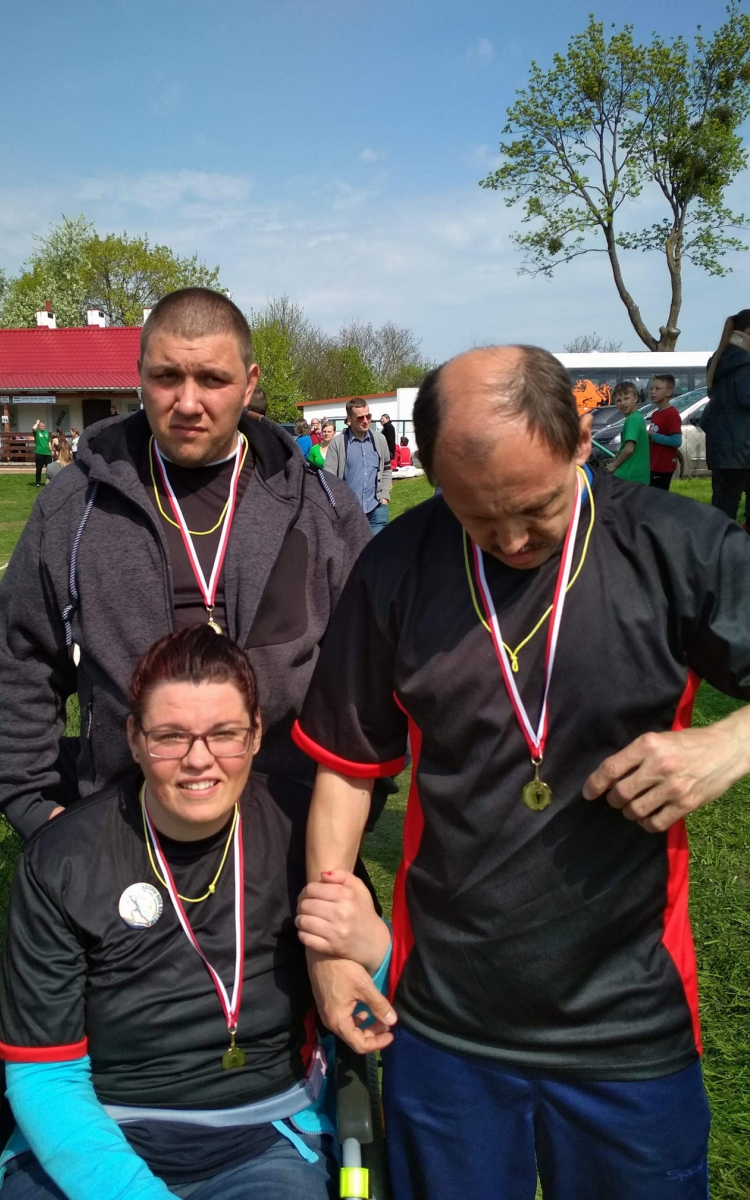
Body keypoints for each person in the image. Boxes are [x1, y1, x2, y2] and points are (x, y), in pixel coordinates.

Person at [293, 344, 750, 1200]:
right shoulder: (395, 566)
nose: (508, 540)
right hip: (443, 1021)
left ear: (579, 441)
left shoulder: (676, 545)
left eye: (535, 509)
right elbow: (347, 770)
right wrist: (329, 953)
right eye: (475, 515)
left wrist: (730, 744)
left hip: (629, 1022)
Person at [0, 626, 389, 1200]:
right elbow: (45, 1074)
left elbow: (372, 1011)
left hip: (265, 1138)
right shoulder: (62, 858)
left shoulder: (307, 832)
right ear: (134, 739)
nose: (199, 760)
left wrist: (378, 952)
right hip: (96, 1131)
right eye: (171, 737)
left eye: (224, 734)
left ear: (256, 734)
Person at [0, 287, 370, 838]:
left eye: (213, 379)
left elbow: (367, 672)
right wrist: (31, 803)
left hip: (291, 831)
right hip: (124, 830)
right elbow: (22, 655)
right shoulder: (76, 505)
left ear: (250, 383)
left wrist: (350, 815)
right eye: (167, 377)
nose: (188, 403)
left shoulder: (321, 507)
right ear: (140, 375)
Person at [701, 308, 750, 522]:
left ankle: (718, 540)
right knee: (729, 503)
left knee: (723, 504)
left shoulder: (718, 359)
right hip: (742, 448)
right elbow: (746, 398)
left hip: (722, 447)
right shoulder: (745, 362)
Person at [323, 398, 392, 533]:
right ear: (349, 419)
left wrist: (384, 497)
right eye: (360, 418)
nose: (366, 421)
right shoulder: (338, 443)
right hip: (348, 512)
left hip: (376, 510)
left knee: (376, 546)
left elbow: (387, 469)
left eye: (368, 416)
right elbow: (329, 478)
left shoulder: (379, 440)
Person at [605, 380, 650, 483]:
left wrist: (614, 465)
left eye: (626, 398)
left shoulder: (632, 419)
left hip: (628, 475)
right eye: (618, 400)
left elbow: (629, 449)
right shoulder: (638, 417)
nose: (622, 403)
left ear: (635, 398)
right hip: (639, 475)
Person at [648, 374, 682, 490]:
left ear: (668, 392)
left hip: (663, 466)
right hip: (653, 464)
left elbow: (676, 441)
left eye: (657, 389)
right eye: (652, 388)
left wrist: (653, 436)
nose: (653, 391)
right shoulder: (655, 414)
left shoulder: (672, 414)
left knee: (658, 496)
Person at [32, 420, 52, 487]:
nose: (43, 427)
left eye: (44, 426)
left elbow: (48, 442)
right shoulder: (37, 432)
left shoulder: (46, 432)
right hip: (39, 453)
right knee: (39, 468)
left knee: (49, 469)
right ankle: (38, 482)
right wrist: (37, 422)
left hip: (47, 453)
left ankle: (50, 482)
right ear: (39, 426)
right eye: (42, 426)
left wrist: (51, 450)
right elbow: (33, 428)